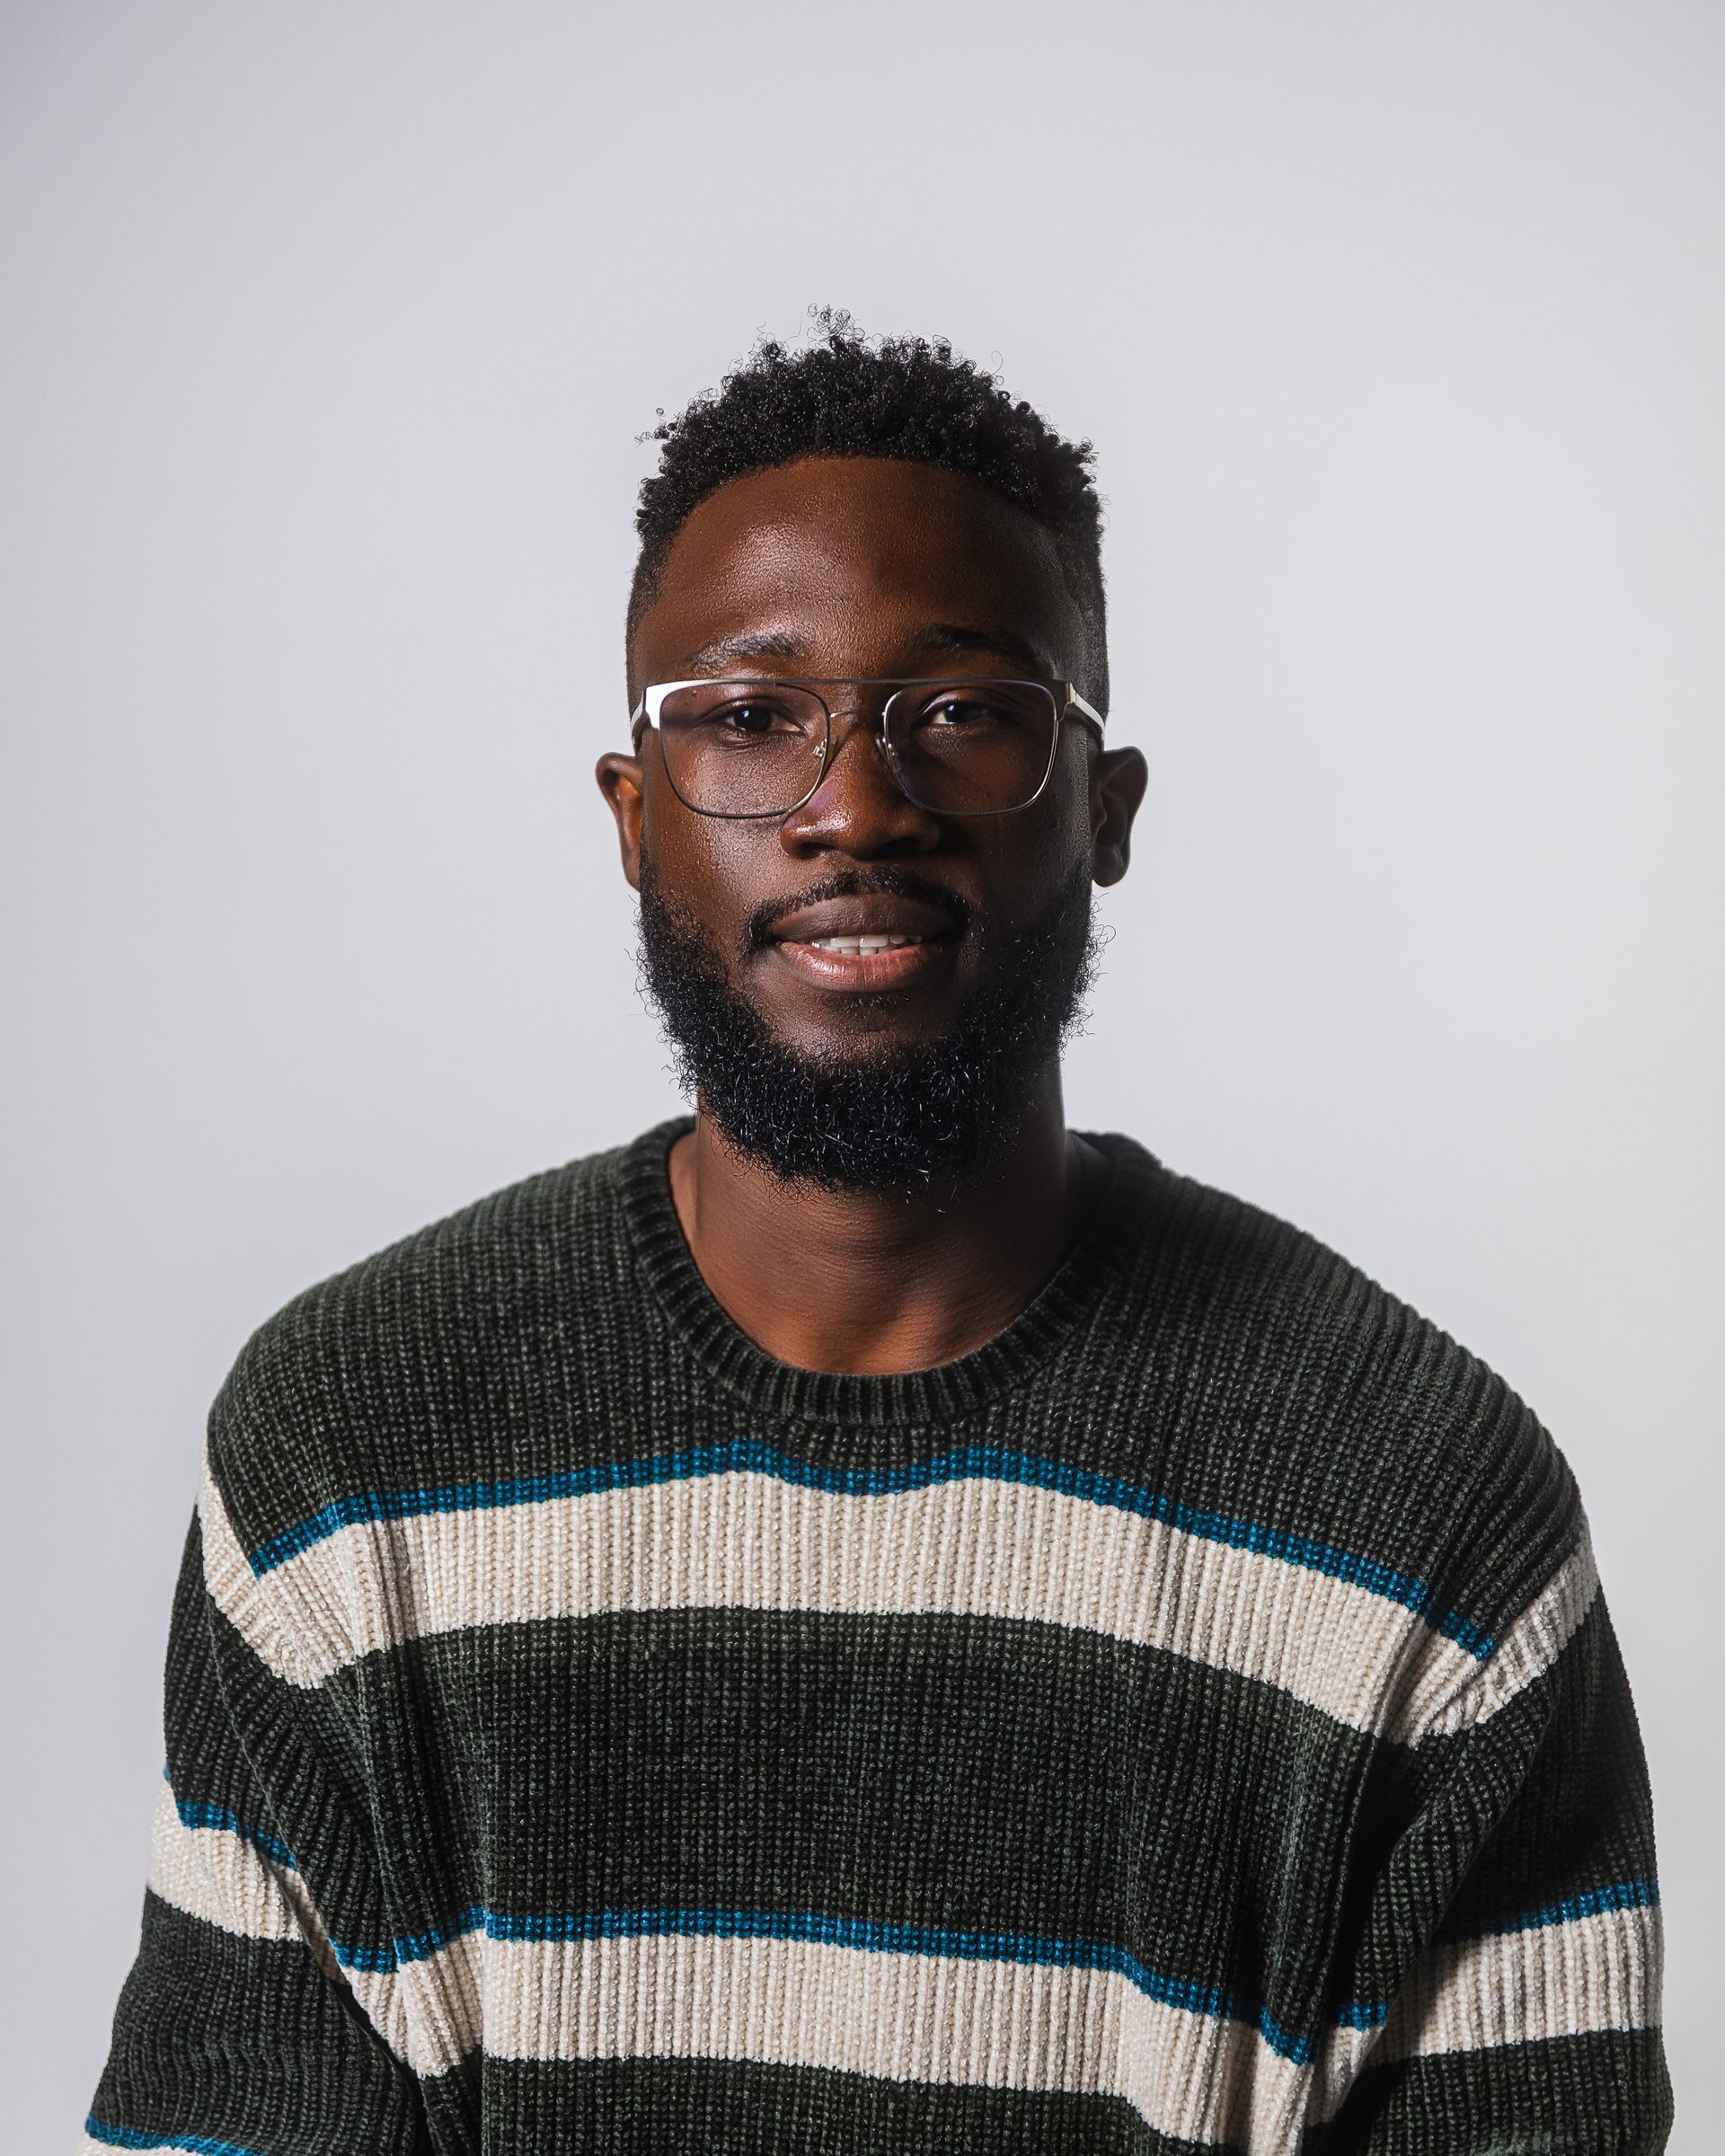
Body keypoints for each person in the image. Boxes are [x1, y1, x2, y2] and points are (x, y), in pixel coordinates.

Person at [85, 323, 1672, 2155]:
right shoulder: (349, 1464)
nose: (854, 808)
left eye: (966, 712)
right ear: (634, 820)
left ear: (1106, 810)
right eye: (750, 719)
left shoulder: (1418, 1519)